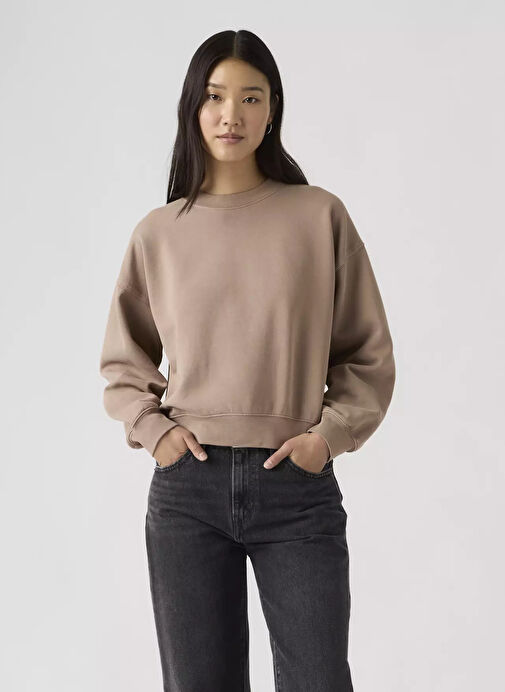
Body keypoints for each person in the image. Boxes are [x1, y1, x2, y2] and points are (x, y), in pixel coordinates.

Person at [99, 29, 395, 692]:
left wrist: (327, 437)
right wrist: (155, 431)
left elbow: (366, 352)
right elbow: (123, 360)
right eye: (214, 96)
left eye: (250, 97)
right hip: (187, 491)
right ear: (193, 106)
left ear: (272, 109)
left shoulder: (318, 216)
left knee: (318, 681)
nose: (230, 114)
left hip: (295, 486)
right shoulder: (158, 232)